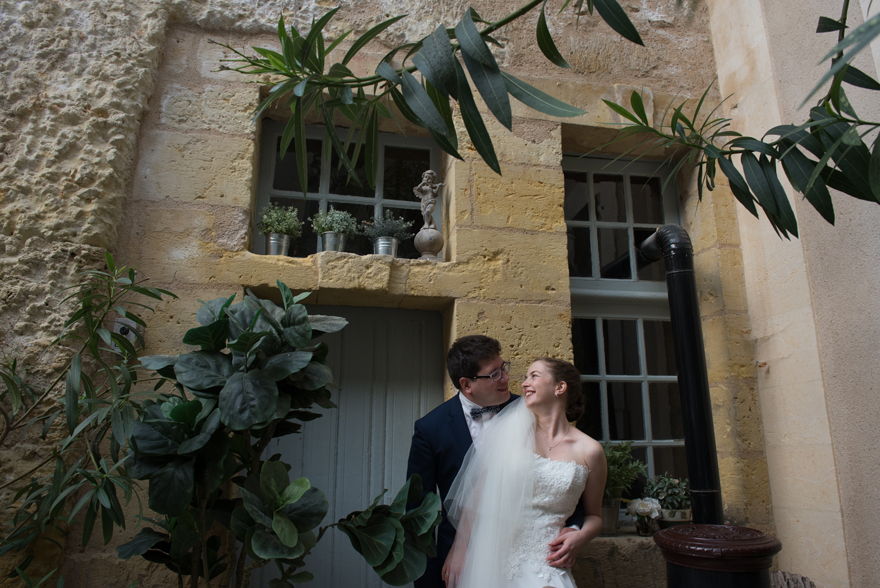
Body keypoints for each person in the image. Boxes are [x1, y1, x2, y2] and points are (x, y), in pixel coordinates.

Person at [406, 338, 586, 588]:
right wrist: (428, 578)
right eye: (494, 375)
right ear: (467, 384)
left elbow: (564, 474)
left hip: (522, 558)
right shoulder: (430, 429)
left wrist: (576, 528)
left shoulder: (532, 410)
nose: (506, 378)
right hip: (457, 561)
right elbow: (416, 509)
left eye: (504, 368)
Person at [442, 357, 607, 588]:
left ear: (560, 387)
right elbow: (476, 500)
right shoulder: (511, 436)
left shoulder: (591, 451)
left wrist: (581, 536)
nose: (524, 383)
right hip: (495, 560)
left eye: (534, 376)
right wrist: (459, 551)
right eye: (526, 377)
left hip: (548, 561)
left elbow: (594, 516)